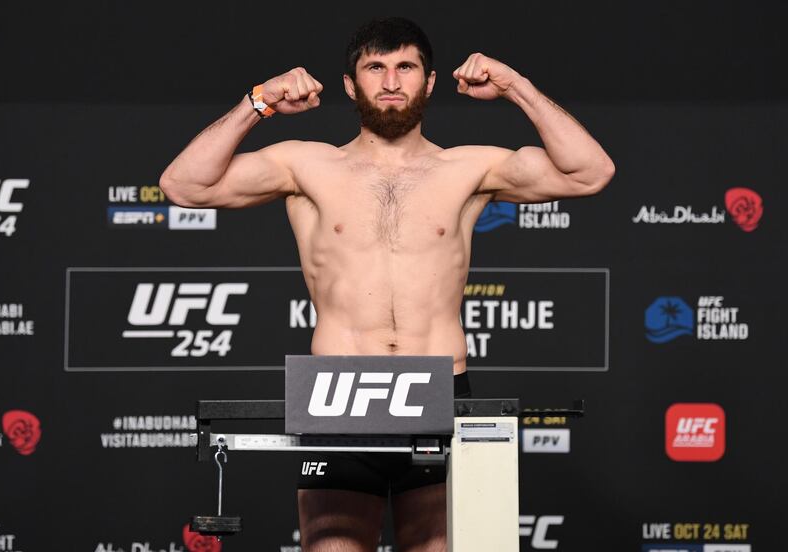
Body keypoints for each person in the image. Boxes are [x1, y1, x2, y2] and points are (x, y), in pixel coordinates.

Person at [160, 16, 614, 552]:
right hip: (338, 394)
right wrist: (258, 101)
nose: (392, 81)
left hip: (440, 389)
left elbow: (591, 171)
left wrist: (515, 85)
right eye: (375, 67)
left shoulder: (469, 168)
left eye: (406, 67)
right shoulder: (304, 165)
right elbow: (182, 184)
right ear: (351, 84)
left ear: (430, 80)